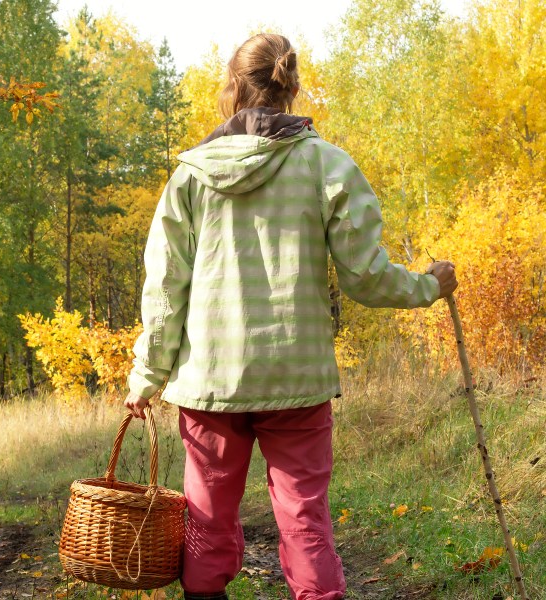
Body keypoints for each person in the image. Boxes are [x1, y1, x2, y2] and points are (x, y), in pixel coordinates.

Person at [124, 33, 457, 600]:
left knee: (204, 518)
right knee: (304, 519)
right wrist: (429, 285)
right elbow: (365, 276)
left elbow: (165, 291)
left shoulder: (190, 177)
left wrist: (147, 376)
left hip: (210, 380)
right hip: (297, 377)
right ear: (292, 88)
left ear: (231, 89)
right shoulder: (326, 165)